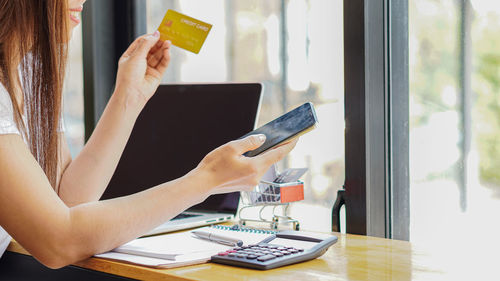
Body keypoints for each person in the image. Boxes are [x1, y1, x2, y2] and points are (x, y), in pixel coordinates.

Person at [0, 0, 297, 269]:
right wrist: (207, 179)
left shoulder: (29, 70)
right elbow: (59, 241)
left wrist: (128, 98)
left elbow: (67, 200)